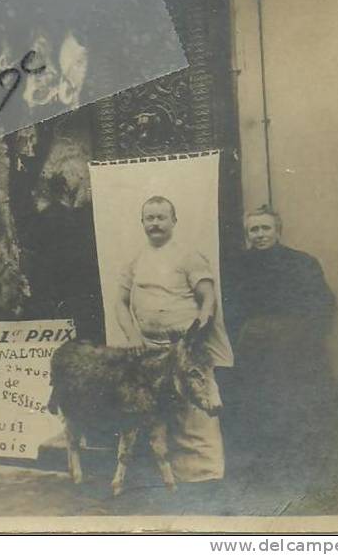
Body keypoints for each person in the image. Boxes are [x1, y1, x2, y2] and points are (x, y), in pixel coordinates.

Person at [115, 196, 233, 483]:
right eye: (150, 218)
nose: (155, 223)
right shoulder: (135, 259)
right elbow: (120, 302)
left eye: (161, 217)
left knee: (196, 410)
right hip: (152, 352)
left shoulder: (188, 256)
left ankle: (207, 476)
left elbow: (208, 298)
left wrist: (198, 330)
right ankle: (173, 478)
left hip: (186, 348)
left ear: (174, 221)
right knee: (161, 412)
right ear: (142, 222)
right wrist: (132, 336)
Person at [222, 206, 337, 487]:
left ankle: (298, 471)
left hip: (294, 351)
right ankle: (262, 471)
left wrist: (304, 339)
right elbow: (230, 308)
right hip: (254, 350)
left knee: (293, 405)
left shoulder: (302, 263)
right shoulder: (238, 266)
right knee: (257, 406)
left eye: (265, 228)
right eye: (254, 230)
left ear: (278, 231)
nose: (259, 235)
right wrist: (243, 337)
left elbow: (323, 305)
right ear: (247, 234)